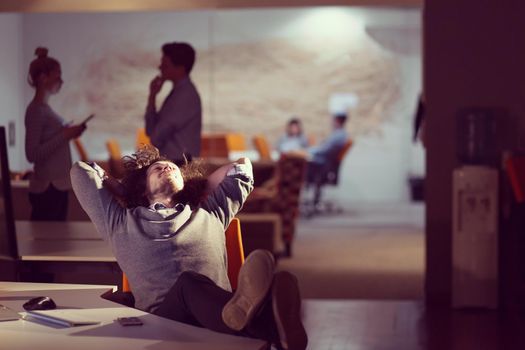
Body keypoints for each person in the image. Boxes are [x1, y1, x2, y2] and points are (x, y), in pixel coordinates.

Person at [70, 145, 307, 350]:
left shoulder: (211, 212)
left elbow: (242, 167)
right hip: (164, 321)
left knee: (198, 286)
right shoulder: (120, 221)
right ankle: (269, 325)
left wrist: (198, 186)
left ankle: (265, 326)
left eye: (172, 168)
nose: (166, 168)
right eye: (157, 169)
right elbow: (80, 171)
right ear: (142, 189)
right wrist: (123, 190)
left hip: (213, 315)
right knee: (188, 284)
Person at [24, 47, 87, 221]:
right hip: (48, 188)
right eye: (57, 75)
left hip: (54, 187)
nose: (61, 81)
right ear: (43, 77)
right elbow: (32, 154)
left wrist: (68, 133)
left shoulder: (44, 109)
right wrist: (65, 135)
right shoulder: (36, 110)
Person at [145, 42, 202, 165]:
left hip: (180, 165)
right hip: (175, 163)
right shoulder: (178, 93)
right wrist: (152, 96)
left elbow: (155, 137)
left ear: (180, 68)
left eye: (165, 65)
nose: (159, 67)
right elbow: (150, 131)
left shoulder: (185, 96)